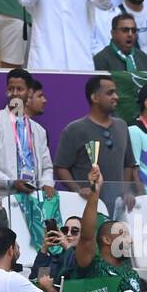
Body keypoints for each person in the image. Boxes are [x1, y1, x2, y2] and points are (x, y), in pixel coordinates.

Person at [54, 75, 137, 212]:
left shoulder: (122, 126)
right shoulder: (74, 129)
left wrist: (125, 190)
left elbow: (128, 164)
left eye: (115, 92)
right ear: (95, 98)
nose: (116, 97)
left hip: (118, 208)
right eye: (110, 93)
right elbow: (60, 167)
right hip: (87, 208)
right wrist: (78, 190)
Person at [0, 69, 53, 196]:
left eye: (20, 89)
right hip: (2, 198)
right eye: (11, 89)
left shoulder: (38, 130)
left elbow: (47, 167)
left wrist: (46, 184)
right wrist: (11, 182)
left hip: (34, 199)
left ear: (29, 92)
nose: (14, 93)